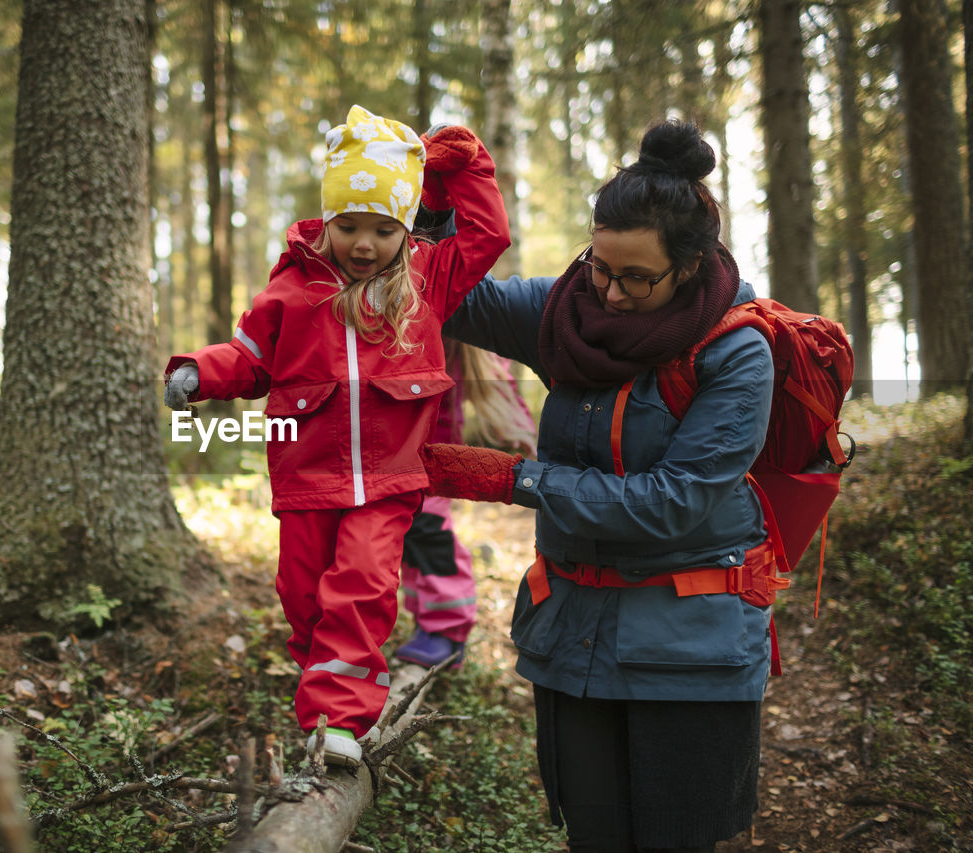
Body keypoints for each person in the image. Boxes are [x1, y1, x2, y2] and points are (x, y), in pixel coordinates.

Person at [426, 119, 778, 852]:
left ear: (689, 264)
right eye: (599, 267)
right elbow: (447, 296)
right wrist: (433, 209)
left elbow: (673, 501)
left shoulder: (738, 351)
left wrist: (517, 478)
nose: (610, 293)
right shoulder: (564, 314)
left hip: (692, 654)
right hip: (575, 637)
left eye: (636, 277)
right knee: (592, 837)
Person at [162, 105, 510, 768]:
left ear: (404, 228)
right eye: (349, 225)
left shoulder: (424, 280)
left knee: (361, 586)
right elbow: (249, 359)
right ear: (327, 220)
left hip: (388, 481)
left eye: (384, 229)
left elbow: (487, 236)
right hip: (307, 477)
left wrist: (465, 163)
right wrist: (198, 372)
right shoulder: (291, 290)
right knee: (303, 592)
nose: (364, 244)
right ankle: (326, 680)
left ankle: (336, 719)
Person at [395, 337, 536, 668]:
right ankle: (428, 624)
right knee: (407, 534)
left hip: (435, 452)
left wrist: (520, 429)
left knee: (429, 529)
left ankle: (447, 631)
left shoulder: (454, 339)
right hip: (392, 450)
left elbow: (497, 379)